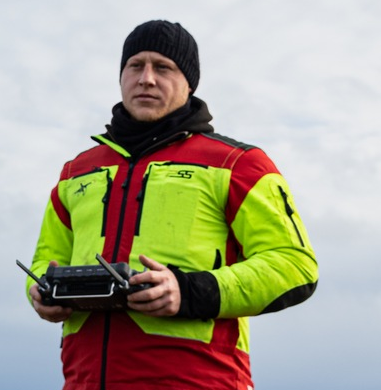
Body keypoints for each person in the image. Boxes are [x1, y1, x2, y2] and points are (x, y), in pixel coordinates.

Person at [26, 20, 317, 389]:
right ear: (121, 76)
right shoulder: (75, 172)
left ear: (189, 83)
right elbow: (44, 260)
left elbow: (295, 266)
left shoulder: (239, 164)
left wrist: (188, 291)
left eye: (163, 67)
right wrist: (40, 292)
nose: (146, 78)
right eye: (136, 66)